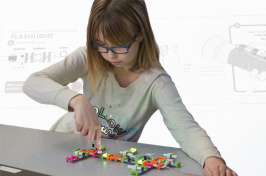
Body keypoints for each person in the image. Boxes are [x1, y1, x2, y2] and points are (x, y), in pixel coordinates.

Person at [23, 0, 237, 175]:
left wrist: (210, 157)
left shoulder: (156, 83)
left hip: (99, 163)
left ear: (141, 35)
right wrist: (76, 100)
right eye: (101, 45)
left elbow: (186, 129)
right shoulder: (90, 57)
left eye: (119, 45)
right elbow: (33, 82)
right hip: (62, 145)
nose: (109, 55)